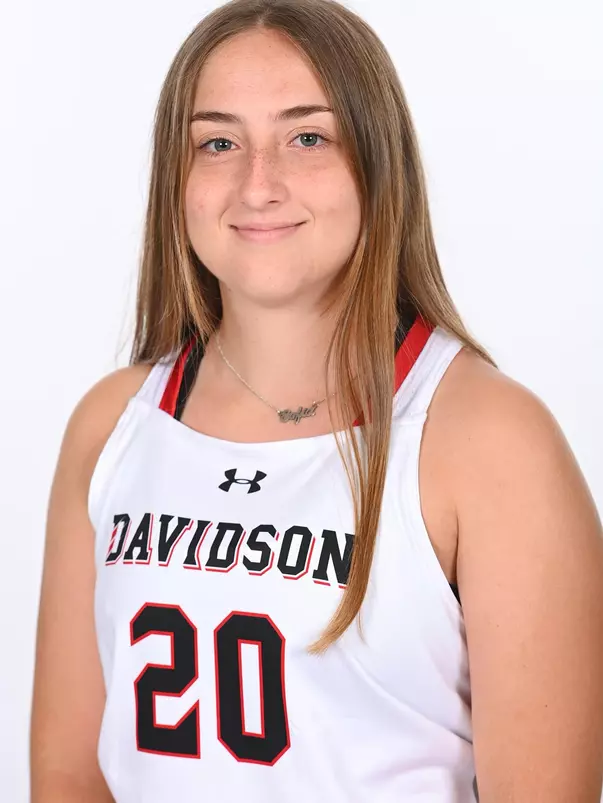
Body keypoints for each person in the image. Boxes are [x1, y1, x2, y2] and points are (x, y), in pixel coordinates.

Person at [30, 0, 603, 801]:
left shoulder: (487, 442)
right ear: (178, 177)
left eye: (307, 137)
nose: (258, 184)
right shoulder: (112, 426)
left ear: (376, 161)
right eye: (218, 142)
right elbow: (66, 778)